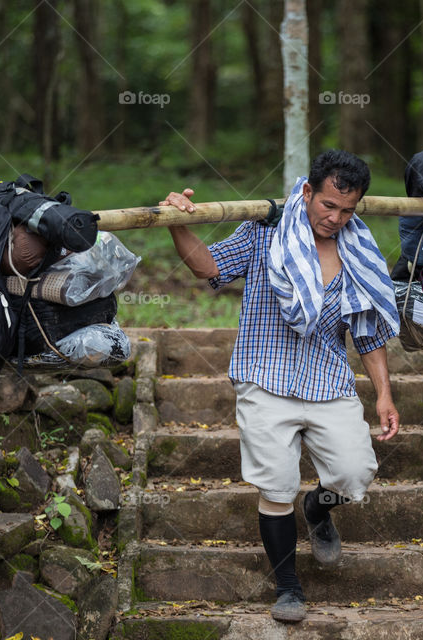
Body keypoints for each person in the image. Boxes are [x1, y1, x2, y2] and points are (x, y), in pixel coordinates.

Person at [161, 150, 400, 623]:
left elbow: (367, 331)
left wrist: (384, 394)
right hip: (265, 376)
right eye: (328, 205)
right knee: (275, 486)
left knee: (354, 476)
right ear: (308, 192)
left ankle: (317, 508)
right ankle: (289, 588)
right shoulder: (264, 230)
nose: (335, 218)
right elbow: (209, 267)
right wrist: (177, 223)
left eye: (348, 210)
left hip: (327, 379)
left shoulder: (357, 251)